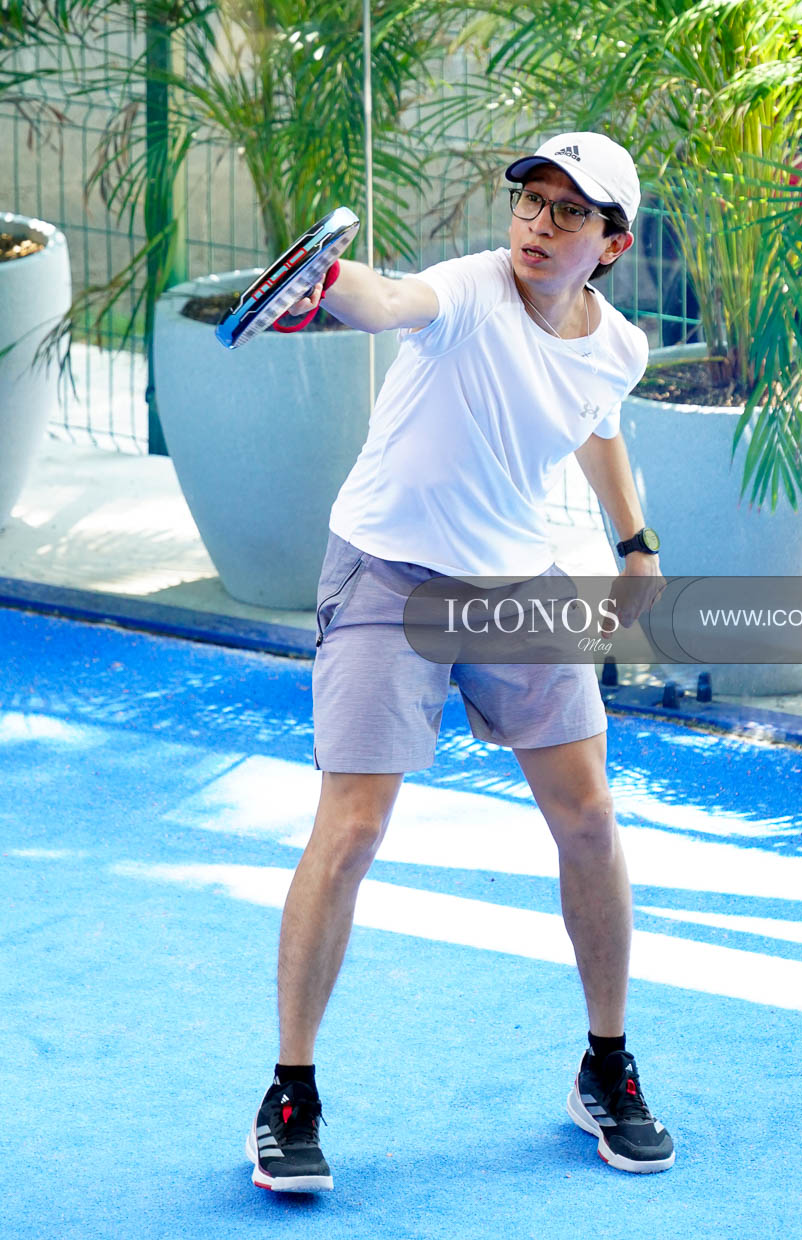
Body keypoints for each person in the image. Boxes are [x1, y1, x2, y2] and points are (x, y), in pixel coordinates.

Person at [245, 131, 674, 1191]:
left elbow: (595, 422)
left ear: (611, 244)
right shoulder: (470, 290)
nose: (538, 224)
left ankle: (605, 1066)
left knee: (589, 816)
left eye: (569, 212)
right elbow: (393, 300)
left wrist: (634, 542)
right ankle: (290, 1091)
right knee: (352, 827)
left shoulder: (616, 345)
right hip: (387, 572)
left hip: (516, 576)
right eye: (530, 201)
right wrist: (326, 282)